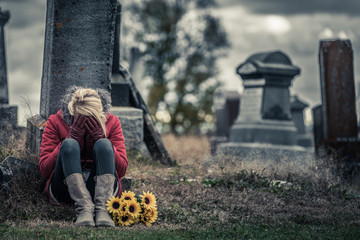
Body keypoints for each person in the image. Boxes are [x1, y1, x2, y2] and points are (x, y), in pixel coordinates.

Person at [39, 86, 128, 227]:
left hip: (103, 190)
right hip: (65, 190)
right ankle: (84, 208)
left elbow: (122, 170)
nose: (86, 123)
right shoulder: (55, 121)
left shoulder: (113, 122)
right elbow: (44, 169)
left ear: (100, 114)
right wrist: (70, 138)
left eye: (92, 118)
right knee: (69, 144)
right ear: (72, 112)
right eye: (80, 117)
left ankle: (102, 210)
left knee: (104, 144)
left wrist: (101, 138)